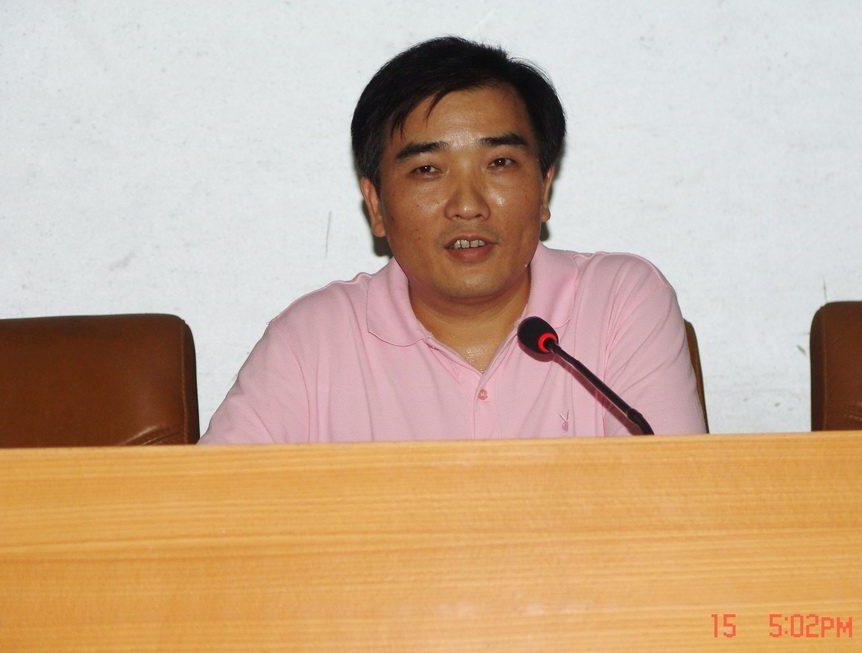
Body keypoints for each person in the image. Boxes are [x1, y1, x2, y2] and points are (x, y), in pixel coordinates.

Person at [199, 36, 706, 444]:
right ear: (376, 205)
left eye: (499, 163)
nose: (467, 205)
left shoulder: (619, 301)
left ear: (544, 187)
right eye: (427, 169)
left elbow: (675, 504)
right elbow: (204, 515)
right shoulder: (311, 341)